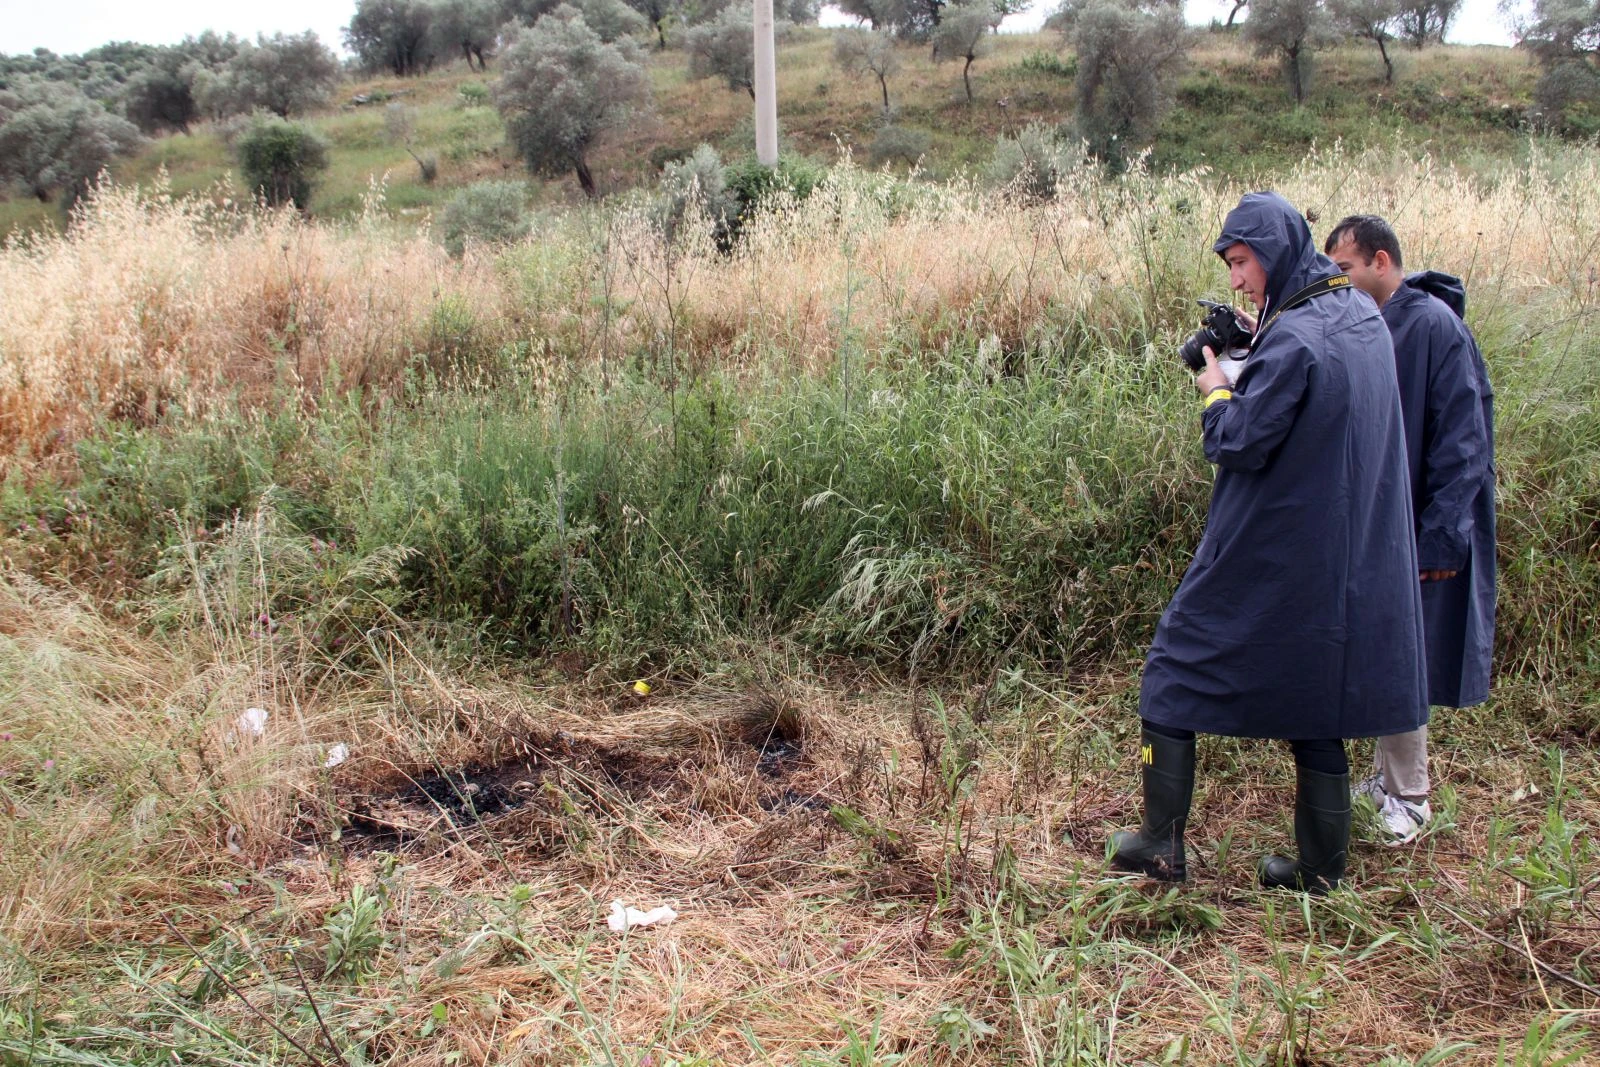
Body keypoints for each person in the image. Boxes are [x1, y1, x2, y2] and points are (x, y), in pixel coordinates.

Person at [1108, 192, 1428, 895]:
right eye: (1229, 264)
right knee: (1319, 699)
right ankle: (1321, 871)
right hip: (1344, 558)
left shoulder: (1298, 337)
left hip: (1273, 548)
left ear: (1276, 251)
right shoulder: (1358, 317)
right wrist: (1257, 341)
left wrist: (1212, 380)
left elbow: (1238, 442)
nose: (1235, 280)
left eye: (1242, 261)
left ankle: (1159, 842)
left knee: (1170, 670)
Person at [1324, 215, 1496, 846]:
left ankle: (1410, 797)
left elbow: (1463, 440)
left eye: (1344, 270)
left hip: (1426, 526)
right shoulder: (1384, 322)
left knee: (1409, 656)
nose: (1338, 282)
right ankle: (1384, 781)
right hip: (1392, 523)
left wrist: (1443, 534)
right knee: (1388, 650)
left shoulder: (1431, 325)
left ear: (1381, 260)